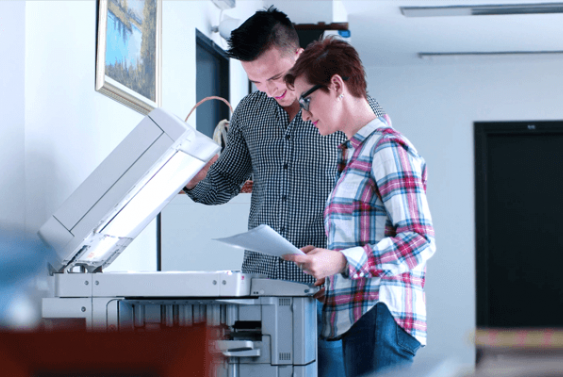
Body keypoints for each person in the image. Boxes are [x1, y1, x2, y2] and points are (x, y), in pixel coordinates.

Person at [183, 7, 385, 377]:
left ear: (299, 54)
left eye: (277, 77)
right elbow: (225, 181)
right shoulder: (250, 112)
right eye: (257, 82)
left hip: (330, 290)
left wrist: (345, 262)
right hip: (261, 286)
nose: (271, 89)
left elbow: (382, 204)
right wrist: (190, 179)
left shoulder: (353, 109)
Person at [281, 37, 436, 377]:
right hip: (360, 318)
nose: (305, 115)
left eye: (307, 101)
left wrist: (338, 260)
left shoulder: (387, 148)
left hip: (380, 316)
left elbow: (420, 241)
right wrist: (327, 262)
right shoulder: (354, 155)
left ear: (336, 85)